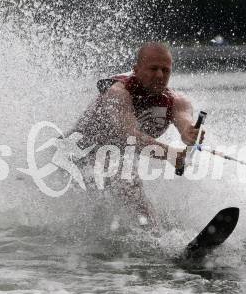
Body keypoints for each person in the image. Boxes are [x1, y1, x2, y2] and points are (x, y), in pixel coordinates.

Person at [70, 42, 204, 231]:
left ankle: (153, 236)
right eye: (153, 68)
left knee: (127, 183)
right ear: (136, 69)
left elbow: (184, 121)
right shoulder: (117, 93)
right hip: (76, 155)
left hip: (112, 154)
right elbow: (129, 136)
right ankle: (154, 238)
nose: (159, 75)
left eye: (165, 70)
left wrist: (189, 133)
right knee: (124, 183)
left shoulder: (177, 101)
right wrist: (170, 154)